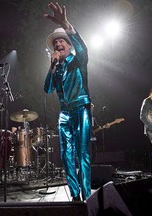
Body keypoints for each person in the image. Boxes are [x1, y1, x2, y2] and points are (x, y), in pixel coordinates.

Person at [43, 2, 92, 201]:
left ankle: (88, 195)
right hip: (64, 114)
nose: (58, 44)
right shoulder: (58, 67)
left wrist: (67, 25)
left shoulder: (78, 59)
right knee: (65, 156)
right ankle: (74, 195)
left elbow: (83, 47)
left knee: (82, 154)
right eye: (55, 43)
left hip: (81, 108)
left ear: (69, 45)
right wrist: (51, 67)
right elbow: (47, 89)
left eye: (61, 41)